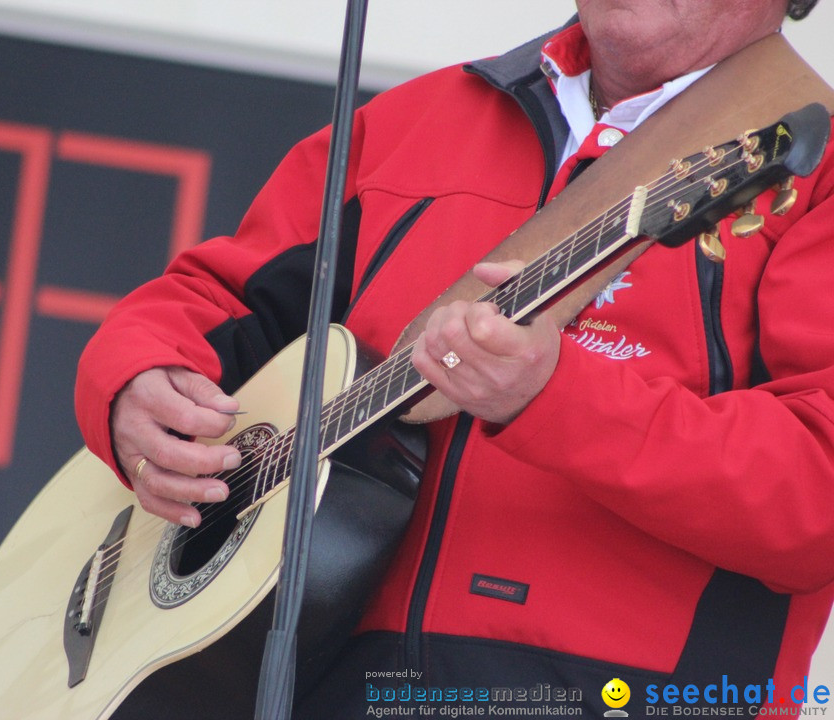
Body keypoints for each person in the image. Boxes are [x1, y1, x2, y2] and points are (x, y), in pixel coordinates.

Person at [75, 0, 833, 715]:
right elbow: (214, 302)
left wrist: (557, 397)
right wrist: (134, 383)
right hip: (316, 688)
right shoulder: (413, 120)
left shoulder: (817, 165)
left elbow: (818, 498)